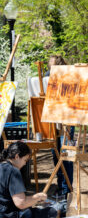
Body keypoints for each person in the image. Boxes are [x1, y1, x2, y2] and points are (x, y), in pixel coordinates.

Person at [45, 55, 74, 197]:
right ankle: (60, 184)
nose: (49, 68)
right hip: (54, 121)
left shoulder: (70, 77)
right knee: (56, 154)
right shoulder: (48, 77)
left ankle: (66, 188)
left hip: (67, 121)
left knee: (66, 155)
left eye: (51, 65)